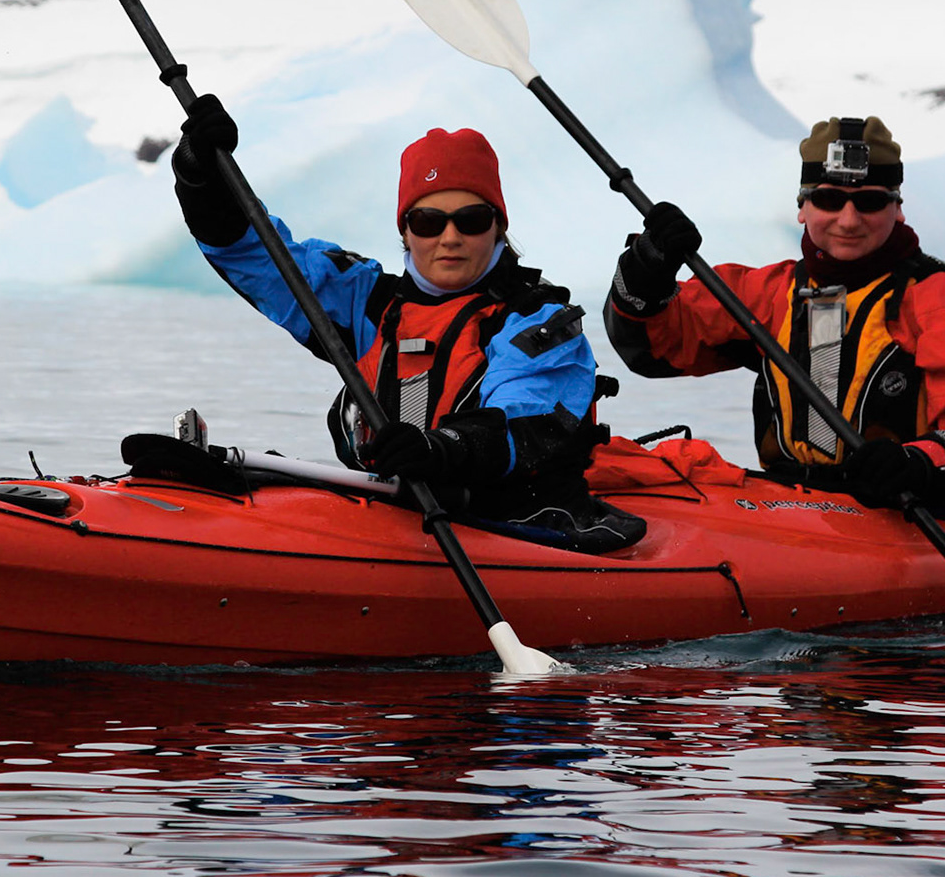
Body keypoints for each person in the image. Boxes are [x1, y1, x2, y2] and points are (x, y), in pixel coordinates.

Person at [171, 94, 645, 553]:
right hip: (394, 514)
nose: (450, 238)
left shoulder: (538, 320)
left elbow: (520, 422)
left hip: (518, 525)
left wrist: (441, 449)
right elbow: (263, 260)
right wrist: (203, 179)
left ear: (498, 227)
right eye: (428, 222)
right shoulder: (369, 302)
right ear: (405, 230)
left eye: (473, 219)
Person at [603, 116, 945, 513]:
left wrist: (918, 465)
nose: (848, 220)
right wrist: (646, 270)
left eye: (869, 202)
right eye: (829, 200)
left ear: (897, 208)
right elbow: (652, 349)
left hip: (907, 510)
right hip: (792, 506)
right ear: (802, 207)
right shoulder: (764, 294)